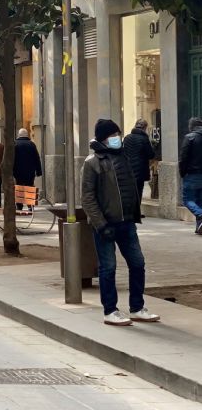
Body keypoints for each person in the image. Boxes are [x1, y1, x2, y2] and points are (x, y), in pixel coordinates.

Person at [82, 119, 159, 326]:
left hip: (127, 222)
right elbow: (87, 197)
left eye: (117, 133)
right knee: (108, 267)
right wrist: (101, 224)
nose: (117, 137)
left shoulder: (124, 156)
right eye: (112, 135)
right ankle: (110, 310)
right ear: (103, 138)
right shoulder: (92, 163)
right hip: (106, 225)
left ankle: (137, 307)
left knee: (138, 263)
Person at [123, 119, 155, 205]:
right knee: (139, 190)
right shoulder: (144, 139)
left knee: (130, 192)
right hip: (140, 170)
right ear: (144, 128)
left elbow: (123, 153)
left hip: (128, 170)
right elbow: (151, 154)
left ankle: (130, 211)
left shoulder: (127, 138)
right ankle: (137, 212)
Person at [180, 117, 202, 234]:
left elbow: (183, 157)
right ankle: (199, 227)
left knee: (187, 199)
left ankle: (201, 215)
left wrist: (182, 172)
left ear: (191, 126)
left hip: (192, 174)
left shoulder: (189, 138)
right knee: (199, 201)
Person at [13, 128, 43, 210]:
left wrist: (11, 171)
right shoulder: (31, 144)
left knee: (19, 187)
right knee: (29, 187)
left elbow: (12, 159)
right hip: (30, 171)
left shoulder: (15, 144)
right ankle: (30, 205)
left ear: (19, 135)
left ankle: (19, 205)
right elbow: (37, 158)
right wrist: (39, 171)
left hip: (18, 171)